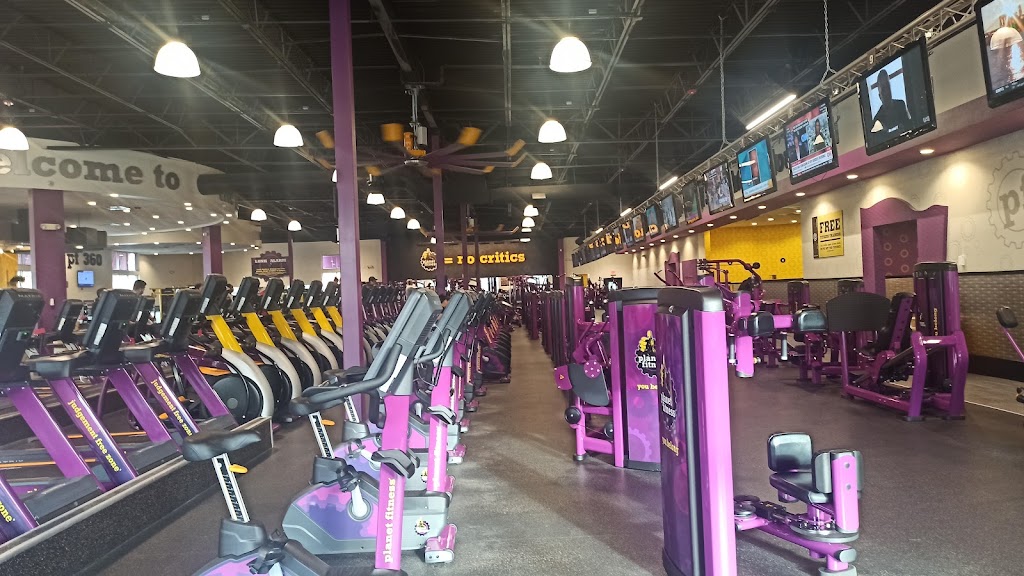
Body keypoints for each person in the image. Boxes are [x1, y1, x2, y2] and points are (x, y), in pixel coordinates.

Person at [871, 69, 911, 135]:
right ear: (879, 96)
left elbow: (910, 127)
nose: (887, 92)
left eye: (888, 86)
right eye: (883, 89)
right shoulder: (877, 119)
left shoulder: (901, 105)